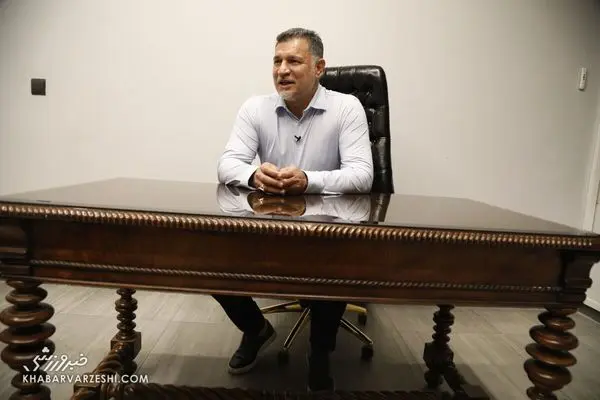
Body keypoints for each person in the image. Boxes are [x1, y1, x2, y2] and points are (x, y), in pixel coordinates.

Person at [215, 27, 374, 392]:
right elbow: (227, 165)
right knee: (209, 258)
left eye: (293, 61)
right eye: (277, 61)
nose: (282, 70)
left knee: (335, 265)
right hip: (269, 226)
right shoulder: (255, 108)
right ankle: (255, 329)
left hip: (328, 229)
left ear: (319, 67)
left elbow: (362, 175)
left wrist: (308, 180)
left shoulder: (346, 108)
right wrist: (254, 174)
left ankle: (320, 351)